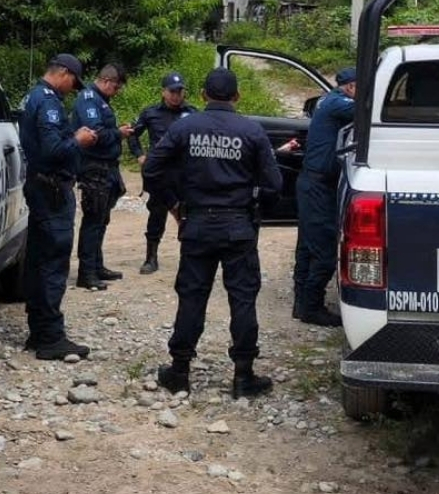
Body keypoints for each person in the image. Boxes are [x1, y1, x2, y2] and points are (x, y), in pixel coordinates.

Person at [143, 68, 282, 399]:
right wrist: (255, 206)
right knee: (243, 298)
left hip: (198, 225)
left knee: (192, 296)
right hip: (238, 226)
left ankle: (179, 371)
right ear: (237, 97)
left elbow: (151, 169)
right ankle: (244, 375)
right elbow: (274, 184)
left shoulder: (185, 127)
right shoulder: (251, 131)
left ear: (203, 95)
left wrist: (174, 203)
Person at [18, 53, 100, 359]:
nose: (72, 88)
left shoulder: (33, 96)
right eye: (72, 82)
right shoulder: (48, 101)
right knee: (53, 263)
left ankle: (39, 331)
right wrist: (78, 140)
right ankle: (51, 338)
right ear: (63, 73)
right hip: (52, 190)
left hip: (40, 187)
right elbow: (53, 149)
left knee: (38, 260)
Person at [292, 67, 358, 327]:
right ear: (350, 87)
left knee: (307, 246)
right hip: (317, 185)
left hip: (313, 183)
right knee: (325, 250)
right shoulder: (337, 104)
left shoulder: (328, 101)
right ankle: (311, 306)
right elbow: (368, 111)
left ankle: (302, 303)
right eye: (360, 87)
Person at [129, 71, 200, 274]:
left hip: (185, 173)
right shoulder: (151, 113)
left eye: (180, 91)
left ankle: (190, 259)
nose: (177, 95)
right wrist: (139, 155)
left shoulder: (192, 113)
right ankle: (151, 258)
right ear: (163, 92)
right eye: (172, 91)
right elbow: (133, 134)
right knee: (157, 214)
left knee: (188, 215)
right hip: (160, 173)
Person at [71, 63, 134, 290]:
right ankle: (86, 273)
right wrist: (120, 133)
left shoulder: (101, 101)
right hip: (93, 167)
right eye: (116, 88)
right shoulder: (89, 99)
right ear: (107, 81)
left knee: (101, 219)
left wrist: (118, 132)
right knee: (93, 220)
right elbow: (94, 133)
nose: (117, 92)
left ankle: (97, 266)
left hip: (106, 167)